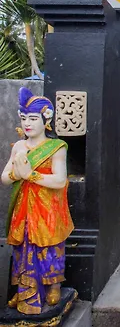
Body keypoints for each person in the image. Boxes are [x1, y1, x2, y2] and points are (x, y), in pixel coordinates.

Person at [1, 87, 74, 315]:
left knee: (48, 246)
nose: (27, 124)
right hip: (23, 208)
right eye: (24, 118)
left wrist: (31, 175)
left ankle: (54, 285)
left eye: (33, 118)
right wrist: (17, 174)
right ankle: (25, 289)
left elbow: (60, 180)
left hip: (47, 208)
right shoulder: (19, 147)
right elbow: (4, 178)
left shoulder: (56, 148)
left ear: (46, 120)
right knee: (23, 246)